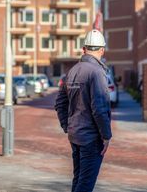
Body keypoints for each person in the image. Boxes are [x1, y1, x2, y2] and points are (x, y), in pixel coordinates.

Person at [55, 29, 112, 192]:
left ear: (84, 49)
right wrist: (106, 135)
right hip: (91, 138)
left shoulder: (71, 72)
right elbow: (99, 109)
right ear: (102, 50)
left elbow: (60, 103)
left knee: (79, 180)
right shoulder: (97, 73)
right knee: (85, 184)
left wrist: (67, 126)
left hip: (75, 135)